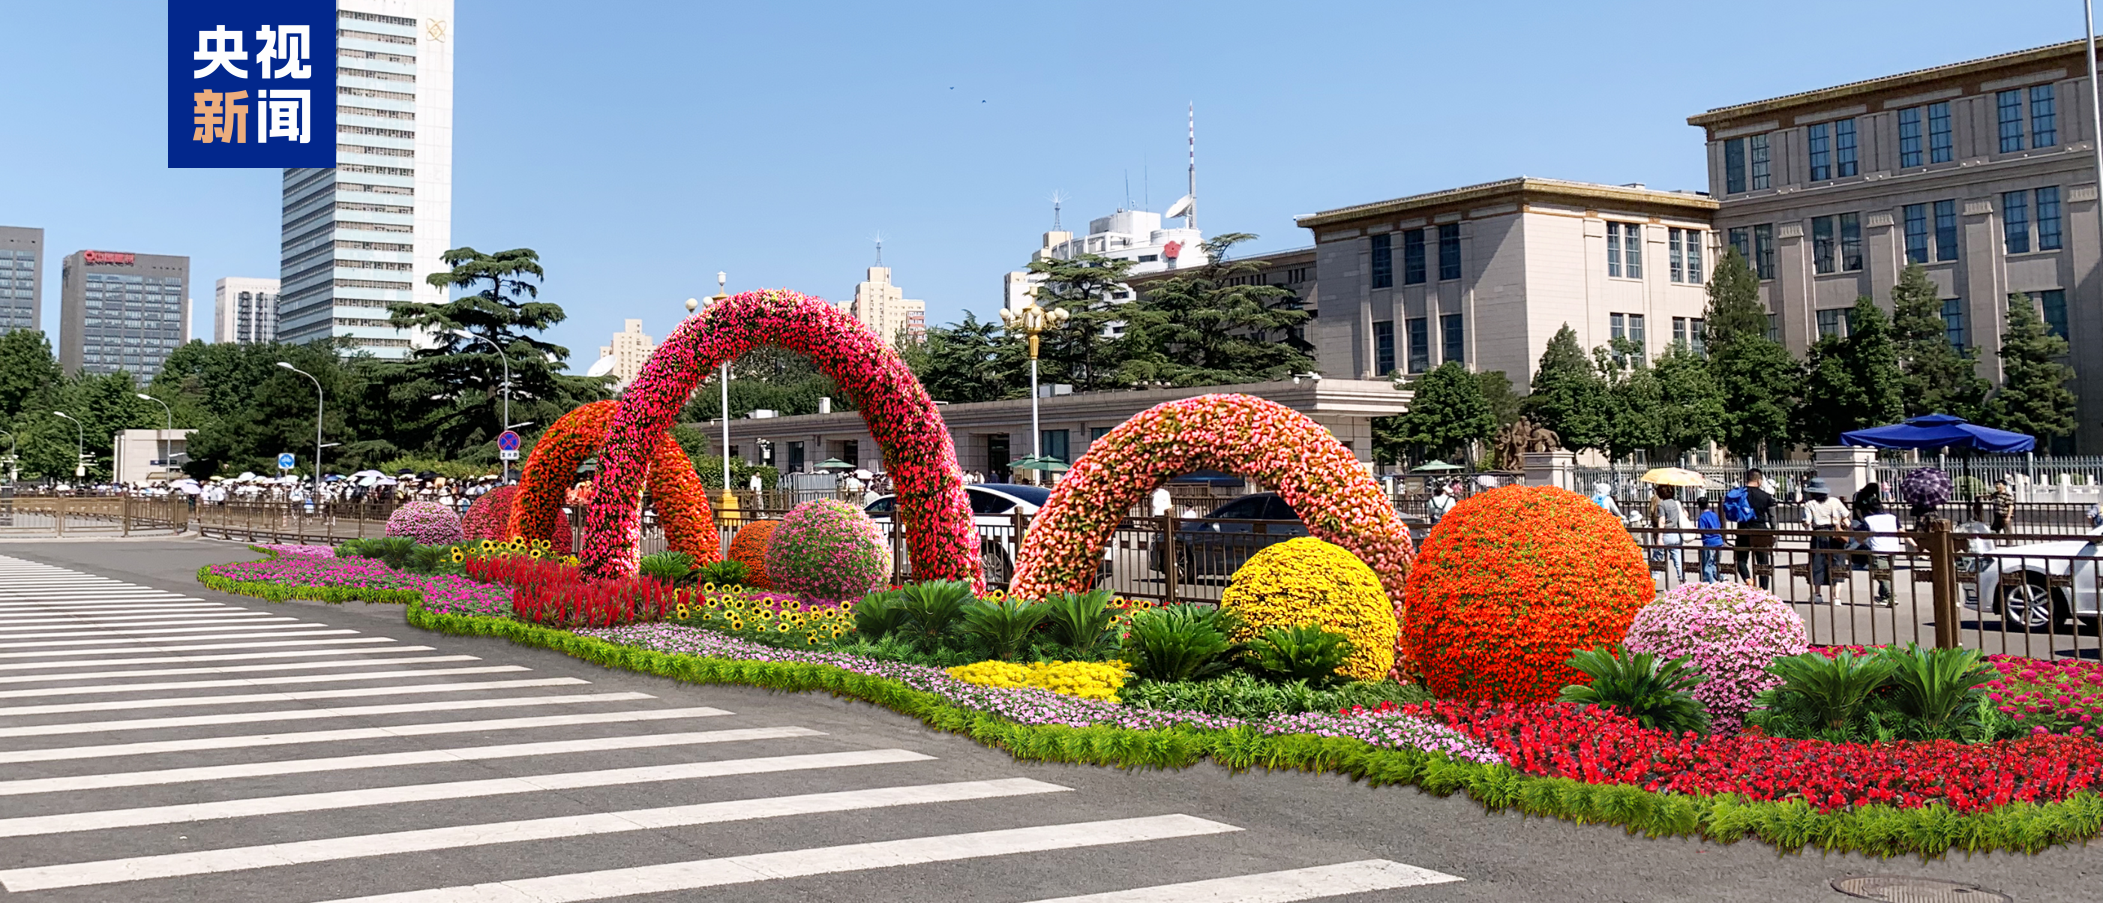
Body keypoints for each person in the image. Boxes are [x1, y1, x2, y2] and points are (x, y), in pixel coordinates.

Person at [1801, 478, 1849, 605]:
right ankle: (1836, 597)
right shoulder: (1835, 501)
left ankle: (1817, 594)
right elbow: (1846, 518)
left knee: (1818, 563)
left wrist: (1805, 524)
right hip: (1835, 534)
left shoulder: (1809, 504)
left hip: (1818, 535)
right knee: (1837, 563)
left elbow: (1807, 522)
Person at [1729, 468, 1776, 590]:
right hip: (1761, 531)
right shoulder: (1766, 497)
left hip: (1743, 530)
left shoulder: (1738, 495)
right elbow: (1772, 517)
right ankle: (1764, 589)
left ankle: (1748, 580)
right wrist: (1774, 531)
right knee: (1763, 563)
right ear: (1759, 481)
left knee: (1740, 559)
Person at [1860, 492, 1902, 607]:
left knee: (1882, 574)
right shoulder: (1892, 517)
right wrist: (1915, 544)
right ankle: (1883, 596)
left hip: (1877, 549)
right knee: (1886, 573)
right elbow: (1902, 532)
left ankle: (1892, 597)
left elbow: (1860, 535)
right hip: (1893, 548)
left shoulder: (1868, 520)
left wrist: (1861, 542)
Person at [1647, 484, 1684, 585]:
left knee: (1657, 556)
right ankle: (1682, 580)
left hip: (1666, 534)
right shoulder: (1676, 503)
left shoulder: (1661, 505)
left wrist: (1659, 537)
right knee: (1678, 558)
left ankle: (1653, 579)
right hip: (1676, 533)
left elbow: (1662, 521)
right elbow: (1686, 514)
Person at [1694, 497, 1724, 583]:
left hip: (1709, 542)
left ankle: (1711, 582)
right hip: (1718, 541)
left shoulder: (1702, 518)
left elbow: (1702, 530)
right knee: (1715, 563)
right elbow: (1718, 525)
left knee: (1707, 564)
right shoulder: (1714, 515)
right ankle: (1721, 577)